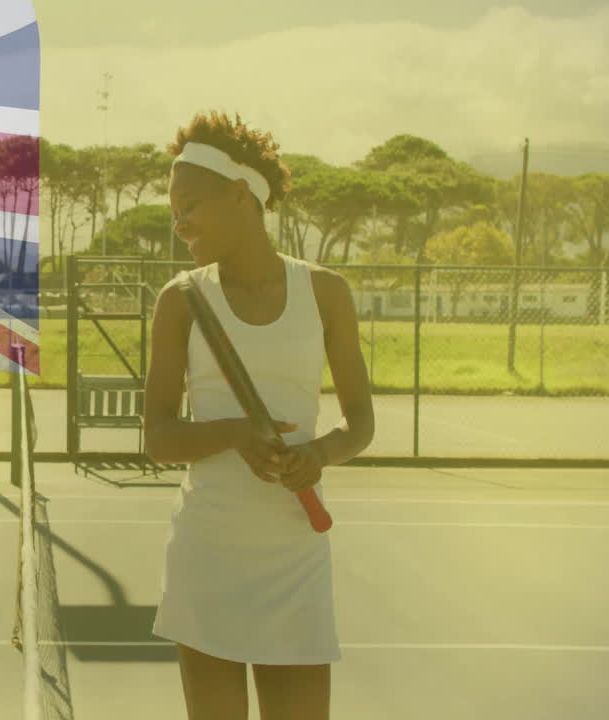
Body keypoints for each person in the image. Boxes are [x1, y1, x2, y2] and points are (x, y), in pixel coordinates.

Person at [143, 111, 375, 720]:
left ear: (240, 194)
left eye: (190, 203)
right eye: (175, 208)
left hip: (294, 556)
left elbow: (360, 424)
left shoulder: (326, 292)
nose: (179, 220)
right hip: (207, 554)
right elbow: (159, 438)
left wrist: (318, 455)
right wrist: (236, 433)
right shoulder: (180, 300)